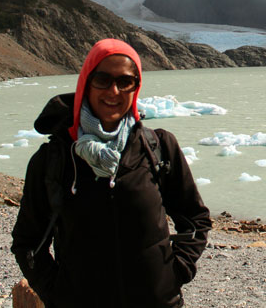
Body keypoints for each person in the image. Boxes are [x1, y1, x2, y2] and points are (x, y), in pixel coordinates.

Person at [11, 39, 211, 307]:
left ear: (136, 87)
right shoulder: (54, 159)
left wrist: (176, 271)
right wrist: (56, 293)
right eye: (102, 79)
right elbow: (27, 241)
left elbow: (195, 218)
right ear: (86, 83)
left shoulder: (159, 147)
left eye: (125, 81)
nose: (113, 91)